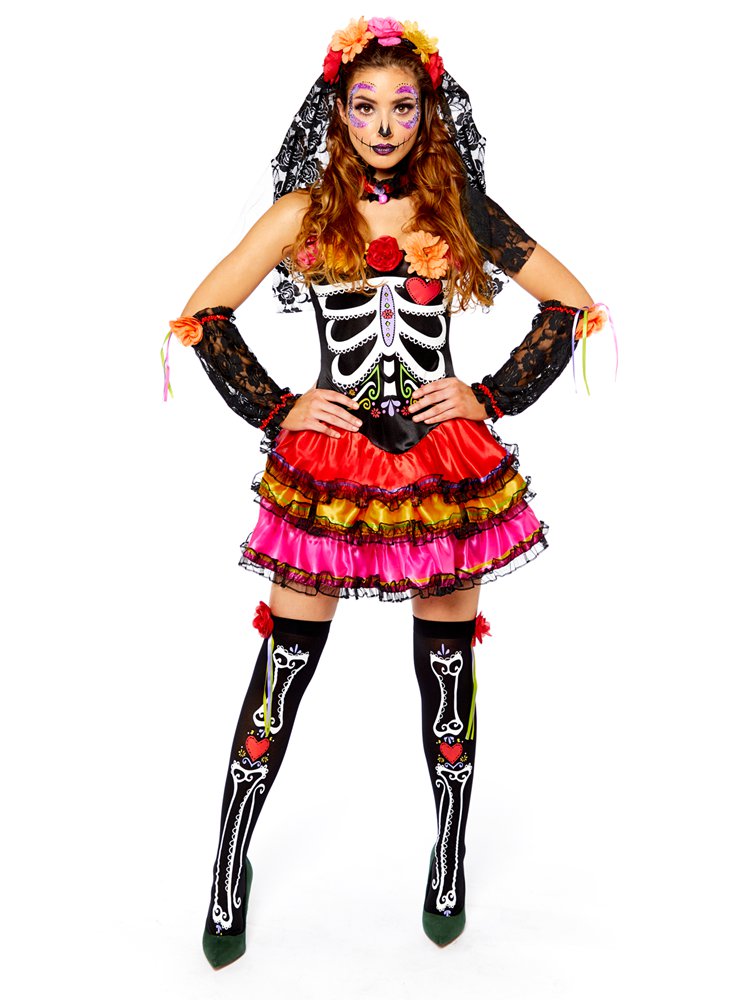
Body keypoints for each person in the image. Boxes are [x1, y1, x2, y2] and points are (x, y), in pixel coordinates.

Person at [163, 15, 611, 969]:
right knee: (284, 667)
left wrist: (489, 394)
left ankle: (449, 855)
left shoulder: (459, 209)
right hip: (333, 468)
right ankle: (229, 862)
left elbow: (573, 303)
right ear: (338, 109)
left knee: (445, 668)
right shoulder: (303, 213)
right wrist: (280, 407)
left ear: (427, 112)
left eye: (402, 107)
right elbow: (201, 315)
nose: (382, 125)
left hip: (442, 464)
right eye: (364, 106)